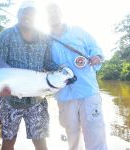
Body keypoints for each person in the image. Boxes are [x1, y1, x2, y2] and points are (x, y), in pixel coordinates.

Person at [0, 1, 57, 150]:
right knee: (8, 141)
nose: (28, 16)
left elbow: (48, 64)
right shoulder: (4, 36)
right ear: (18, 14)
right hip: (9, 99)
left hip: (37, 99)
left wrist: (63, 72)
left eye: (32, 13)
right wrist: (1, 87)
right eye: (25, 12)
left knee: (41, 141)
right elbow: (0, 67)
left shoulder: (45, 38)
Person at [46, 3, 108, 150]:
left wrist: (97, 56)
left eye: (55, 11)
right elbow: (45, 65)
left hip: (88, 92)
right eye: (49, 13)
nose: (53, 15)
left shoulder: (78, 31)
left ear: (61, 13)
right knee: (73, 139)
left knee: (96, 135)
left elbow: (95, 48)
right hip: (64, 96)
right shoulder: (45, 41)